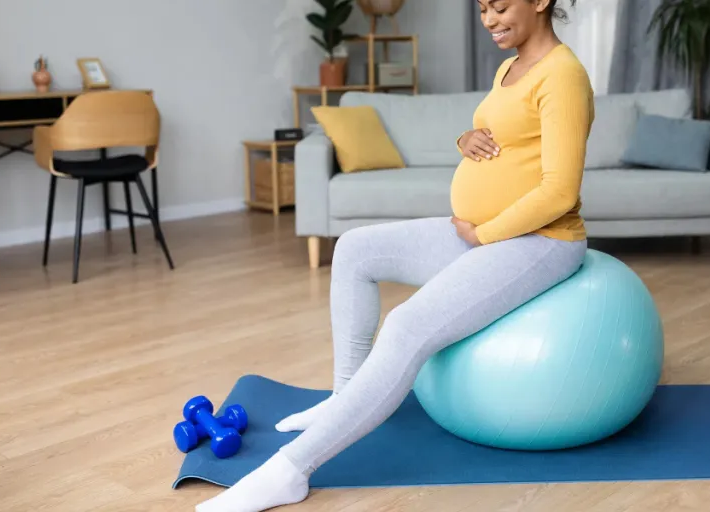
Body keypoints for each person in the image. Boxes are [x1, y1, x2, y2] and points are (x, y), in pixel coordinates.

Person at [196, 0, 592, 510]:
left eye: (499, 6)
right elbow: (502, 137)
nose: (488, 19)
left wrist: (485, 234)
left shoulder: (564, 75)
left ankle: (292, 470)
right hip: (483, 233)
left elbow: (560, 191)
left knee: (405, 327)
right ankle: (344, 396)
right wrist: (464, 138)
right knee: (355, 249)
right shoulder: (510, 65)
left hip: (541, 242)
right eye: (482, 8)